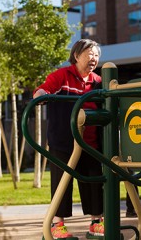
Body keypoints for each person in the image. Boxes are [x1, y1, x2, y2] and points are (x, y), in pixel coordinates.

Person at [33, 39, 104, 238]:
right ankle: (57, 225)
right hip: (64, 141)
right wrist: (40, 94)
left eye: (96, 55)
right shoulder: (63, 76)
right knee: (62, 181)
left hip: (90, 142)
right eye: (90, 54)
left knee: (94, 180)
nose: (94, 59)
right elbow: (44, 89)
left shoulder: (98, 82)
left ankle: (96, 222)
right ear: (76, 55)